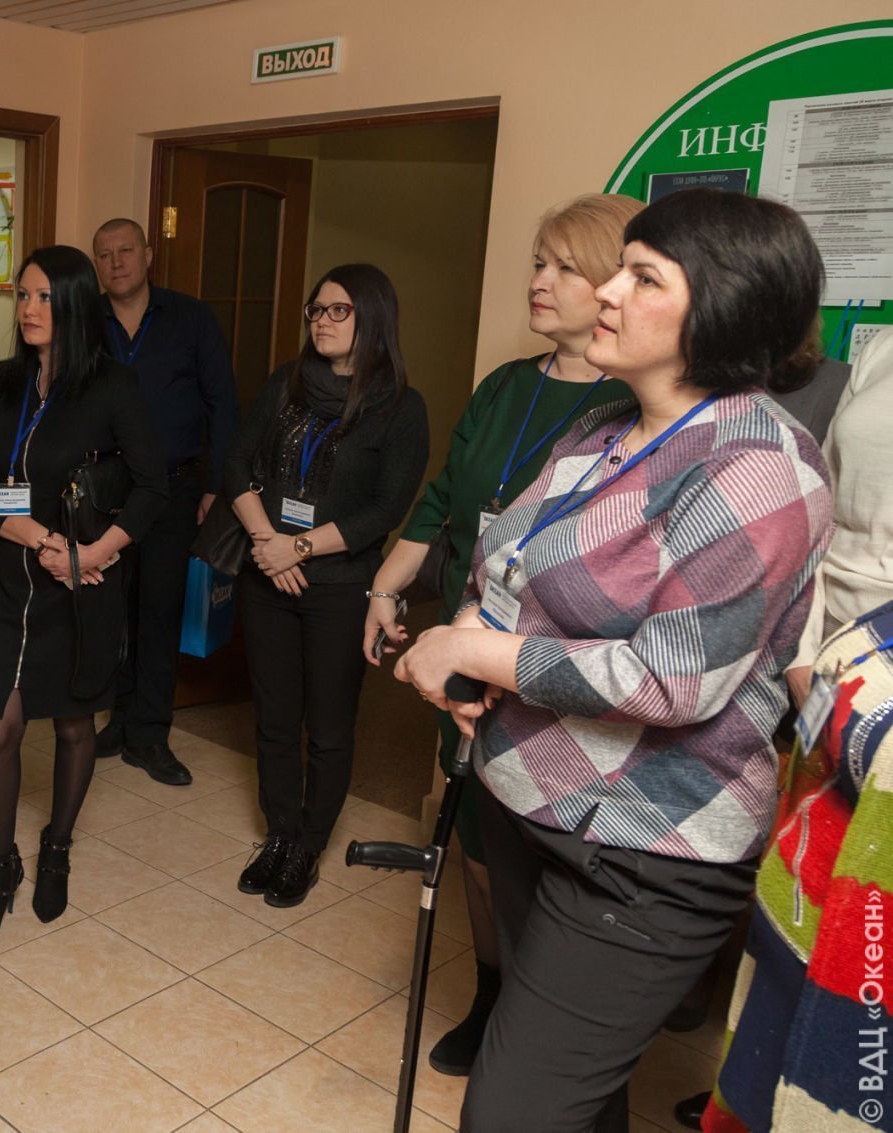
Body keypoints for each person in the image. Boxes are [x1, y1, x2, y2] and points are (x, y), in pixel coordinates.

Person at [394, 188, 833, 1132]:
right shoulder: (599, 428)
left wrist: (474, 648)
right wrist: (472, 636)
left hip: (646, 848)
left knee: (509, 1114)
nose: (606, 292)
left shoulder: (759, 465)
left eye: (643, 277)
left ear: (721, 308)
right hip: (528, 802)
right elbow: (504, 562)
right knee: (579, 1104)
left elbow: (672, 679)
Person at [361, 192, 641, 1076]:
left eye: (564, 267)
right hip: (467, 648)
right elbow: (446, 499)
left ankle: (537, 1016)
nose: (539, 281)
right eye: (538, 262)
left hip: (554, 670)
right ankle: (491, 991)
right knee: (477, 841)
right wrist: (385, 587)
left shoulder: (634, 408)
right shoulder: (505, 387)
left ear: (615, 285)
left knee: (544, 854)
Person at [701, 334, 893, 1133]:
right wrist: (808, 661)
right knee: (795, 899)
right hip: (825, 656)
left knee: (866, 939)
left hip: (886, 697)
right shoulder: (881, 351)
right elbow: (826, 510)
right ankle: (758, 1086)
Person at [0, 245, 168, 942]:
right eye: (22, 295)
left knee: (75, 724)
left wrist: (89, 554)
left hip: (82, 584)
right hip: (10, 577)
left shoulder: (112, 385)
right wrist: (38, 538)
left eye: (44, 297)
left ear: (75, 304)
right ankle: (0, 868)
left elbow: (152, 486)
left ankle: (56, 847)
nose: (29, 309)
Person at [224, 263, 429, 908]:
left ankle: (308, 845)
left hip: (340, 587)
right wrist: (269, 544)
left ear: (373, 318)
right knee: (274, 720)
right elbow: (235, 462)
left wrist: (301, 546)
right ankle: (280, 834)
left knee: (330, 725)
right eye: (317, 309)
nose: (322, 320)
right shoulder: (287, 384)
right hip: (269, 577)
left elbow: (385, 509)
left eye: (339, 310)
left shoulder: (400, 407)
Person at [91, 218, 239, 786]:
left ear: (148, 254)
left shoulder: (191, 318)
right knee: (112, 609)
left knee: (159, 608)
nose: (116, 262)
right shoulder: (86, 321)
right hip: (106, 490)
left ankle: (150, 734)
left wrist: (215, 486)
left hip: (175, 489)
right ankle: (119, 718)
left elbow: (222, 403)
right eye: (105, 254)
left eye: (126, 250)